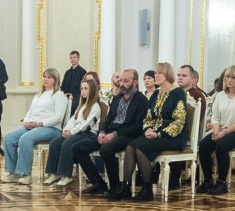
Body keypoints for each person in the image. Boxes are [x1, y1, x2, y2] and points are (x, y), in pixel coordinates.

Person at [122, 63, 191, 201]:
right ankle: (126, 187)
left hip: (172, 136)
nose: (156, 76)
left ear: (167, 74)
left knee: (141, 149)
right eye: (155, 73)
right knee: (130, 146)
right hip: (154, 132)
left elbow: (178, 122)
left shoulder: (177, 93)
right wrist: (148, 129)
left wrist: (158, 133)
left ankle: (147, 190)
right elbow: (148, 117)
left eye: (159, 73)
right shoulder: (156, 94)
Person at [78, 68, 145, 197]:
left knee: (106, 150)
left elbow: (137, 126)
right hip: (110, 133)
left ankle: (115, 187)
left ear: (135, 83)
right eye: (121, 80)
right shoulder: (116, 98)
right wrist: (102, 132)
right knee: (78, 147)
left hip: (127, 135)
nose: (122, 83)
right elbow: (107, 120)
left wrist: (114, 135)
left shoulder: (141, 100)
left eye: (126, 81)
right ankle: (98, 183)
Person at [197, 65, 235, 194]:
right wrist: (216, 131)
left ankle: (221, 183)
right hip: (222, 130)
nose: (229, 80)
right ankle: (208, 180)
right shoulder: (220, 95)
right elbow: (215, 117)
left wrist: (223, 133)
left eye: (233, 77)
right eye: (227, 77)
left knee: (221, 145)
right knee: (204, 145)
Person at [2, 69, 67, 183]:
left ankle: (25, 173)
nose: (45, 79)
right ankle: (12, 172)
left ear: (55, 80)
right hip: (33, 126)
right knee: (8, 138)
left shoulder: (59, 95)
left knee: (25, 139)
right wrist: (26, 121)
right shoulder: (38, 95)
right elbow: (30, 112)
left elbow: (58, 118)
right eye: (44, 76)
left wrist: (39, 123)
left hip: (51, 128)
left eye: (49, 77)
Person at [46, 73, 104, 187]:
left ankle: (66, 175)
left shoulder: (95, 106)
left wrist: (72, 133)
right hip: (76, 132)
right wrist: (67, 129)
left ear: (92, 90)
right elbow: (73, 120)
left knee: (67, 144)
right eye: (82, 88)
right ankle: (53, 173)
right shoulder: (81, 105)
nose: (83, 91)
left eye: (86, 89)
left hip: (88, 134)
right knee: (55, 143)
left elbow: (85, 125)